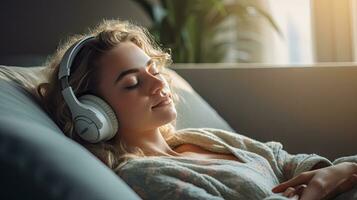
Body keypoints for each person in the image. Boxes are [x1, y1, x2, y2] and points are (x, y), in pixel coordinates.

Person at [37, 19, 357, 200]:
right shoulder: (146, 175)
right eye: (133, 83)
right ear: (94, 113)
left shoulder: (203, 138)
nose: (157, 84)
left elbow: (285, 160)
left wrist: (337, 170)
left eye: (153, 70)